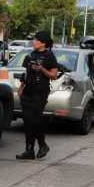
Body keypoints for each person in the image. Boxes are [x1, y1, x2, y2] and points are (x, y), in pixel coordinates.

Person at [16, 31, 58, 160]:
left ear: (43, 43)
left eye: (36, 40)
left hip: (40, 92)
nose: (33, 41)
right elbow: (26, 73)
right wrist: (21, 86)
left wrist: (42, 69)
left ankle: (42, 144)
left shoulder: (49, 56)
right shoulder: (30, 55)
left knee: (35, 120)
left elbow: (54, 75)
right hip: (28, 91)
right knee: (27, 121)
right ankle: (29, 150)